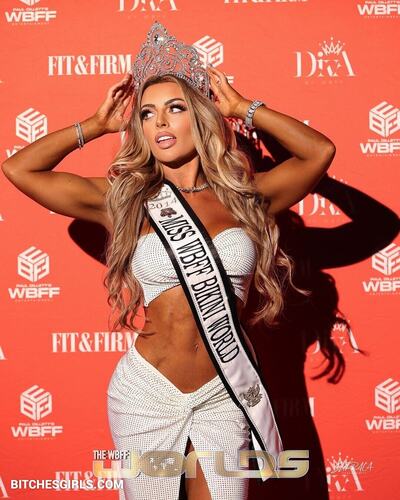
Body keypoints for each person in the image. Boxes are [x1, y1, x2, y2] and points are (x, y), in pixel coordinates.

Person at [2, 20, 335, 500]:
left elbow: (319, 152)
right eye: (147, 113)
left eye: (175, 108)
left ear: (199, 118)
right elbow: (19, 169)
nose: (159, 122)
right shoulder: (125, 200)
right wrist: (94, 126)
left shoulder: (245, 197)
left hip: (223, 393)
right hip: (148, 394)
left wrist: (243, 108)